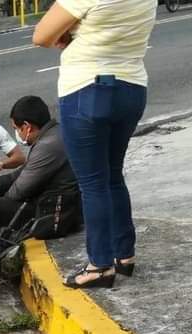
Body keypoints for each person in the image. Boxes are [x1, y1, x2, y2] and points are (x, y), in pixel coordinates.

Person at [33, 0, 157, 289]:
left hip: (87, 90)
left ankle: (99, 266)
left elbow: (41, 35)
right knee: (113, 175)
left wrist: (68, 35)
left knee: (92, 184)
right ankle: (124, 255)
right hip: (132, 88)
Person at [0, 95, 80, 236]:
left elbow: (18, 192)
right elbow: (24, 172)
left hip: (51, 214)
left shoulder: (47, 146)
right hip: (58, 202)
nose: (17, 133)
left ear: (27, 127)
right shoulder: (55, 133)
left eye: (16, 128)